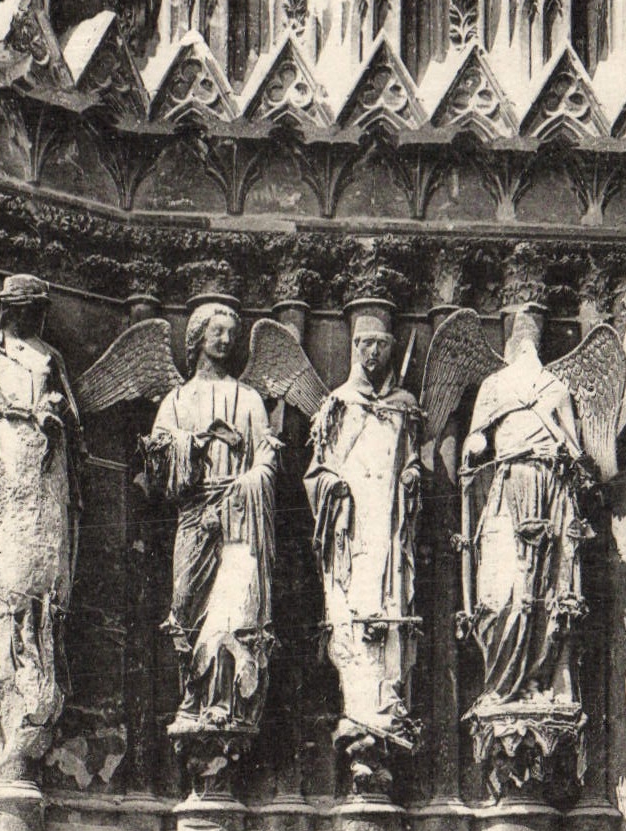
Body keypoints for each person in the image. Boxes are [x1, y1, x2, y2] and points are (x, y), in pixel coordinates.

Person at [0, 275, 82, 778]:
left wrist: (54, 413)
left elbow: (73, 413)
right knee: (7, 572)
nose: (29, 316)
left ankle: (37, 671)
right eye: (23, 308)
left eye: (35, 308)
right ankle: (6, 678)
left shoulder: (50, 357)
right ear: (8, 310)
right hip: (4, 457)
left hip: (44, 466)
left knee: (42, 574)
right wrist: (3, 416)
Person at [142, 302, 279, 732]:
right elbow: (156, 458)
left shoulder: (249, 398)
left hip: (238, 514)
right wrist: (199, 442)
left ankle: (223, 703)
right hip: (194, 511)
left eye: (231, 335)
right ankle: (191, 692)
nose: (225, 341)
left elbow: (268, 459)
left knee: (233, 608)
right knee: (185, 603)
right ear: (199, 336)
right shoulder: (177, 399)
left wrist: (245, 483)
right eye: (217, 332)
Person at [305, 305, 421, 787]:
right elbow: (317, 471)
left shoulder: (403, 406)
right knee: (352, 621)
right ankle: (359, 716)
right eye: (364, 344)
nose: (373, 354)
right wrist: (333, 489)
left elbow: (412, 460)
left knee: (391, 614)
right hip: (351, 533)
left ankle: (387, 714)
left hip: (391, 532)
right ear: (353, 349)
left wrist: (413, 475)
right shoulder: (337, 405)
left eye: (382, 345)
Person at [460, 306, 591, 704]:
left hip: (549, 492)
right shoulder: (494, 386)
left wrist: (558, 445)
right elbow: (474, 440)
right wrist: (475, 445)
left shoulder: (556, 388)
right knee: (505, 588)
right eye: (523, 342)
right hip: (508, 487)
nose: (526, 349)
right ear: (513, 345)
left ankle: (536, 678)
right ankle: (502, 683)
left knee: (545, 588)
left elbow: (576, 448)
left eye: (531, 342)